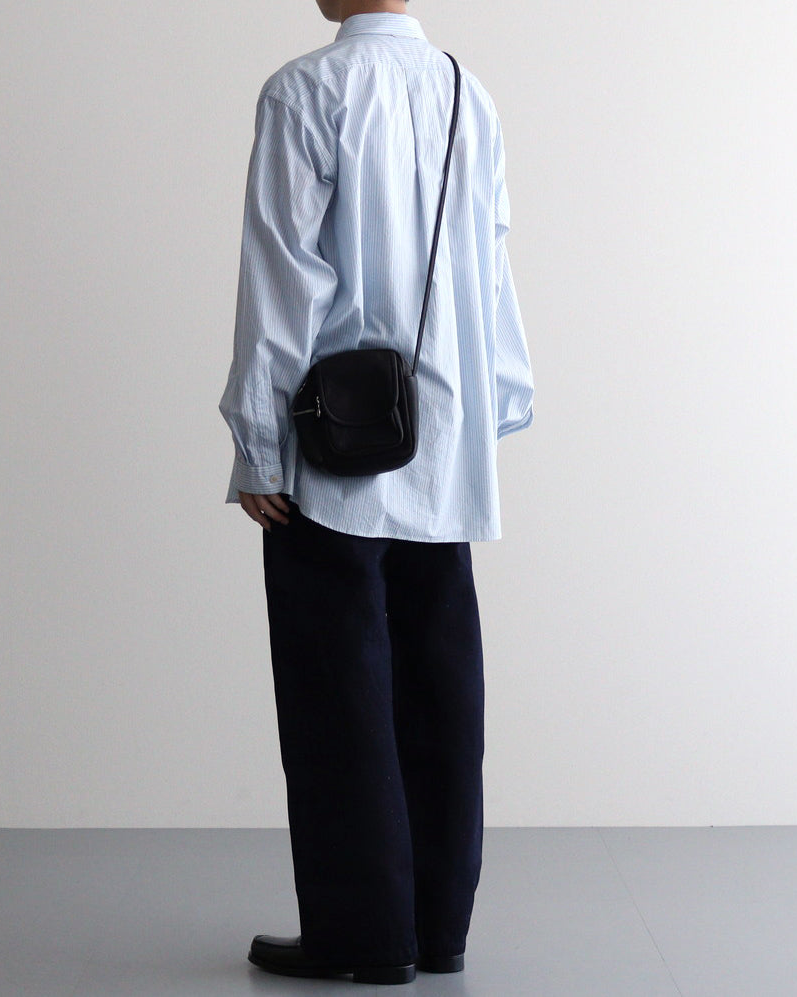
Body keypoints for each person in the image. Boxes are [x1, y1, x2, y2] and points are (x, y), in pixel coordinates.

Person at [218, 0, 533, 985]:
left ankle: (362, 936)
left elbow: (285, 276)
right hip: (443, 438)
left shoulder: (305, 90)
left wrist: (258, 444)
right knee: (440, 694)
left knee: (337, 699)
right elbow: (490, 257)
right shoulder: (466, 92)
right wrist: (494, 408)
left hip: (336, 447)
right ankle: (436, 930)